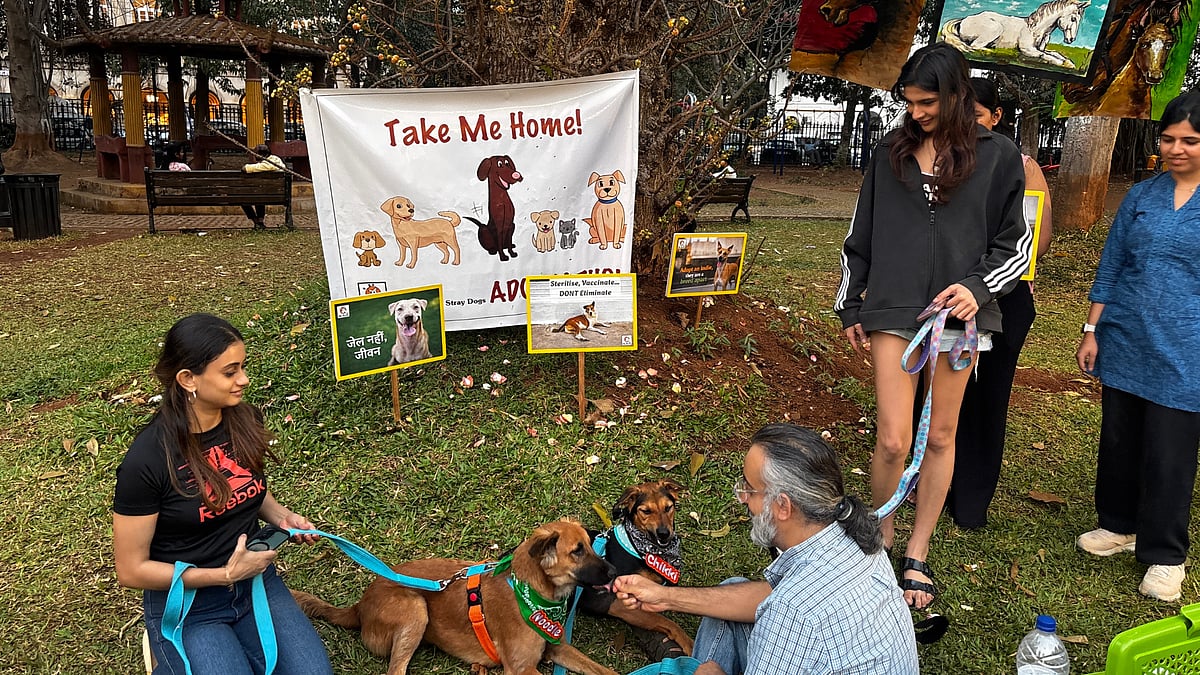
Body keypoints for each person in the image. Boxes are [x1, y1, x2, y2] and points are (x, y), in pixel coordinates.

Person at [833, 43, 1030, 610]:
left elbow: (1013, 244)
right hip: (894, 310)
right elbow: (859, 235)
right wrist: (853, 306)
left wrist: (976, 288)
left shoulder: (999, 157)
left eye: (927, 102)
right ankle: (878, 542)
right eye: (909, 102)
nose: (916, 112)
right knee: (894, 437)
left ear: (957, 95)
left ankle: (917, 551)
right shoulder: (889, 154)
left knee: (941, 435)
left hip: (960, 316)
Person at [113, 313, 333, 673]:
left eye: (242, 367)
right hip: (189, 604)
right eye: (230, 372)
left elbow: (249, 490)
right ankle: (163, 646)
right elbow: (131, 569)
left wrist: (283, 518)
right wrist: (224, 576)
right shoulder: (148, 460)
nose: (243, 380)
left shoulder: (245, 420)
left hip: (255, 586)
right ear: (188, 379)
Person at [613, 423, 917, 675]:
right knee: (731, 593)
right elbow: (773, 598)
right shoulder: (855, 534)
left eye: (748, 489)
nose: (742, 498)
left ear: (782, 506)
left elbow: (787, 609)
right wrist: (665, 597)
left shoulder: (790, 614)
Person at [1076, 91, 1200, 602]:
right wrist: (1091, 329)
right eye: (1169, 139)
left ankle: (1166, 555)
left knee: (1170, 452)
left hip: (1187, 348)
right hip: (1125, 337)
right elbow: (1112, 265)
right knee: (1120, 440)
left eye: (1190, 141)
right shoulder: (1142, 197)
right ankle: (1119, 526)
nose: (1177, 149)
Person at [941, 77, 1054, 529]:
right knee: (940, 391)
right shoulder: (939, 158)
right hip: (949, 297)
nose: (969, 126)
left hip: (1005, 299)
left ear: (996, 117)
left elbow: (1038, 241)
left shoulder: (1019, 165)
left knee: (988, 395)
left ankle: (971, 499)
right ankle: (930, 482)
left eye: (977, 116)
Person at [241, 144, 285, 229]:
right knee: (259, 195)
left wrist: (249, 164)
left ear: (261, 154)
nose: (254, 155)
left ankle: (257, 222)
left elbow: (245, 168)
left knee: (244, 199)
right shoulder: (276, 159)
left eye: (255, 153)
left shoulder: (267, 164)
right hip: (278, 193)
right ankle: (260, 221)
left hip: (272, 194)